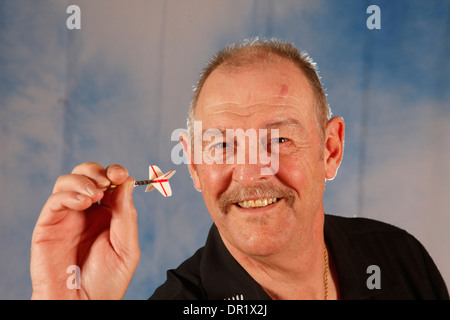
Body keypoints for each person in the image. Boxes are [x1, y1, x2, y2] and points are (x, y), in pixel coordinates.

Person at [30, 38, 449, 300]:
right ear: (193, 164)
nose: (250, 174)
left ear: (330, 149)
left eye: (279, 140)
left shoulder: (399, 258)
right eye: (223, 146)